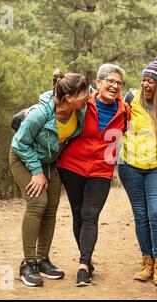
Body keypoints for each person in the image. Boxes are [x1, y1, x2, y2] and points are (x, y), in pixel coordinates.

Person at [10, 69, 90, 287]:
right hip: (24, 158)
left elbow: (97, 90)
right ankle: (28, 263)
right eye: (84, 93)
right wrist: (36, 171)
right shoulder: (40, 114)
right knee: (38, 203)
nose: (88, 97)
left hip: (50, 160)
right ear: (69, 98)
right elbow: (19, 143)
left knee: (52, 206)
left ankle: (42, 260)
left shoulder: (78, 109)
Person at [57, 64, 129, 287]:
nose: (115, 86)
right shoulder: (82, 103)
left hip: (102, 169)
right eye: (110, 81)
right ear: (98, 83)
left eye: (119, 83)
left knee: (91, 215)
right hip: (72, 166)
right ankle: (86, 260)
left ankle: (83, 264)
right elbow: (56, 102)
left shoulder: (125, 110)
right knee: (78, 214)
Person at [118, 52, 157, 286]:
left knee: (156, 213)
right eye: (144, 79)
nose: (145, 84)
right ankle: (147, 262)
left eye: (151, 81)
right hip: (130, 166)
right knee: (141, 215)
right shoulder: (131, 97)